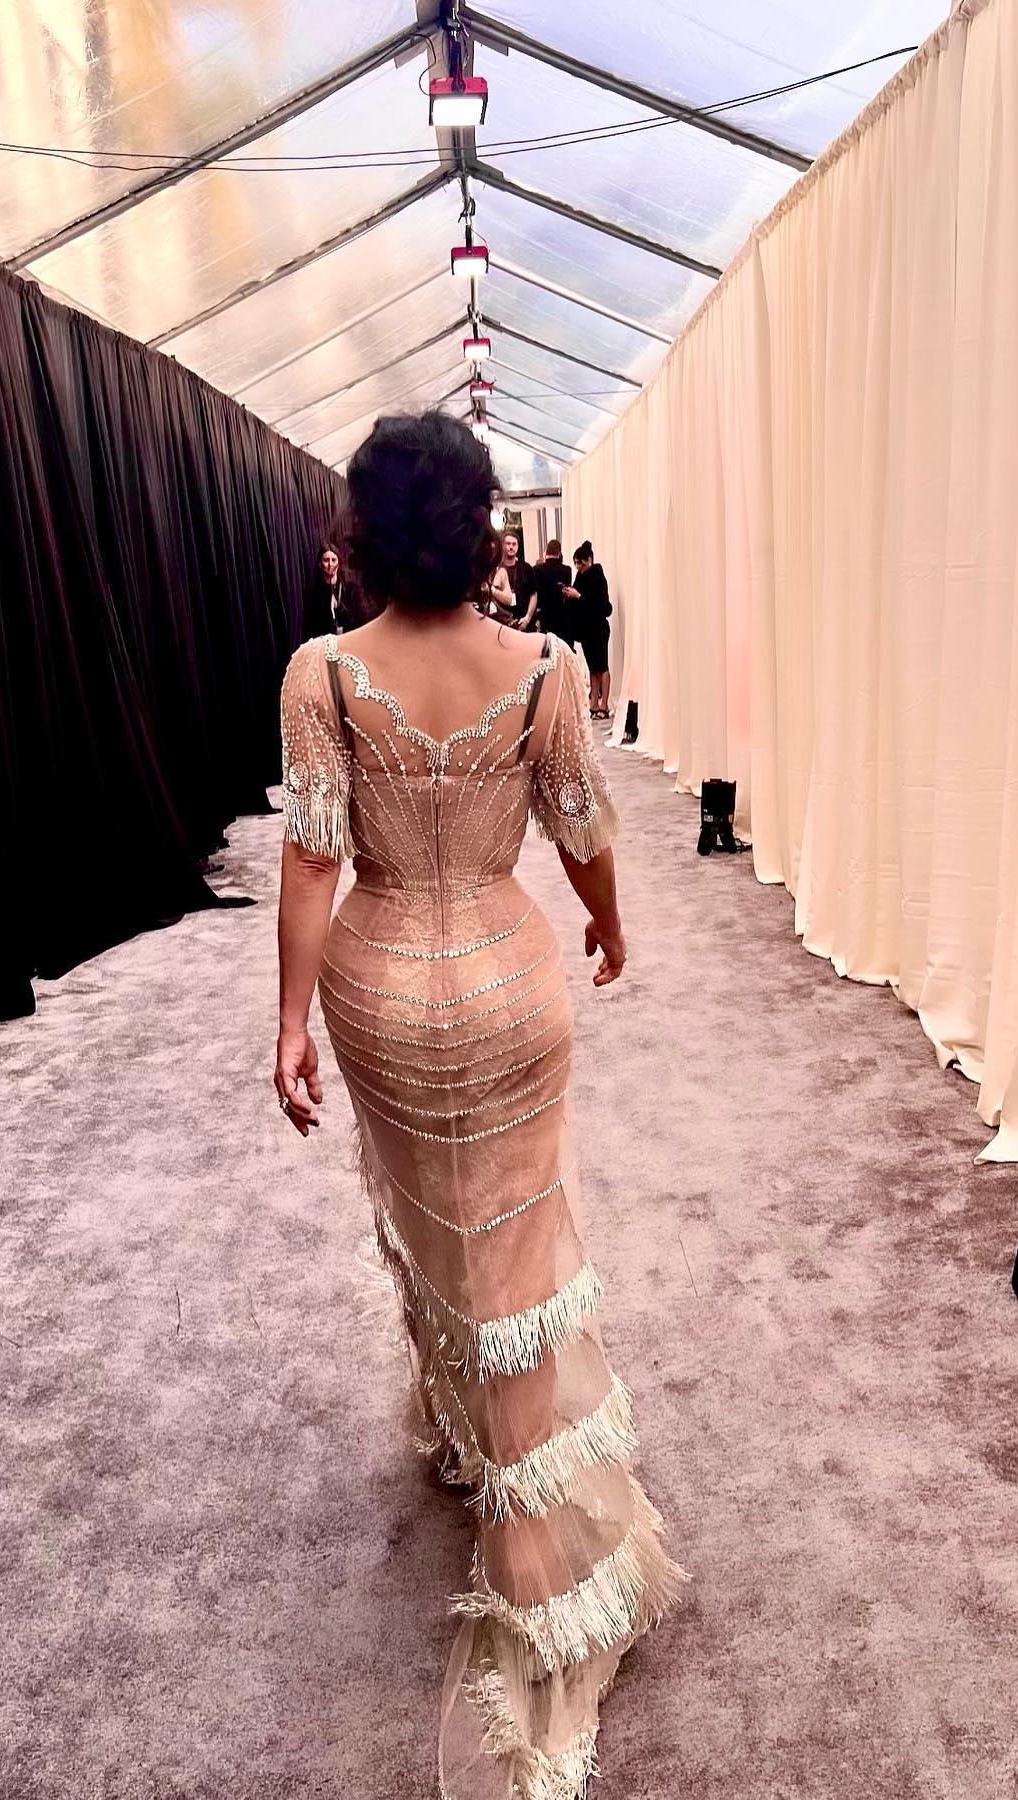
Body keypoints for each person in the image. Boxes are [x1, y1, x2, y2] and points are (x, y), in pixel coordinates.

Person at [275, 412, 685, 1799]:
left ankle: (500, 1484)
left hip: (379, 993)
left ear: (360, 530)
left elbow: (315, 865)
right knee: (516, 1241)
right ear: (481, 523)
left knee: (438, 1224)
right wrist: (612, 929)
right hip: (512, 989)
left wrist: (289, 1023)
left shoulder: (323, 672)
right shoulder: (546, 666)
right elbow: (582, 829)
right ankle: (512, 1484)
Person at [571, 541, 613, 719]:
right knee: (592, 668)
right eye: (576, 563)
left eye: (580, 563)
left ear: (589, 560)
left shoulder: (597, 576)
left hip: (598, 627)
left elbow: (600, 605)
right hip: (587, 629)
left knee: (602, 666)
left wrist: (579, 596)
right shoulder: (580, 577)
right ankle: (594, 703)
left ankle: (604, 705)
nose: (578, 567)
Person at [522, 537, 575, 644]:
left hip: (544, 616)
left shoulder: (537, 569)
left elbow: (534, 592)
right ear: (559, 553)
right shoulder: (566, 570)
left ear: (546, 551)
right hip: (562, 617)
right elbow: (566, 591)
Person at [302, 543, 352, 639]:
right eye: (326, 560)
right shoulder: (312, 593)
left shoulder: (349, 589)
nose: (330, 564)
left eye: (333, 560)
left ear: (339, 562)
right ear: (320, 564)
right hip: (324, 645)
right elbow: (308, 628)